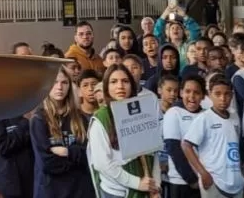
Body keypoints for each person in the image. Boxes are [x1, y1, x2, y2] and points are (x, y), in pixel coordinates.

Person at [88, 65, 160, 198]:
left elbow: (153, 154)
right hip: (118, 193)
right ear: (106, 87)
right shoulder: (101, 118)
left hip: (146, 189)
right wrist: (137, 183)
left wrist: (155, 187)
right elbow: (102, 163)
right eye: (114, 82)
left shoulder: (143, 111)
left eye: (125, 81)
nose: (120, 86)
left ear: (132, 85)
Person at [29, 66, 94, 198]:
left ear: (70, 86)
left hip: (79, 191)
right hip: (51, 191)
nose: (59, 87)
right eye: (54, 82)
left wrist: (67, 152)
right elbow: (47, 164)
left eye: (64, 82)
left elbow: (90, 155)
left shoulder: (80, 117)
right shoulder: (39, 119)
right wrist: (76, 156)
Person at [181, 75, 243, 198]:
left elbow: (233, 144)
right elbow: (186, 145)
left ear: (232, 95)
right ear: (209, 95)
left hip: (235, 180)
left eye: (227, 94)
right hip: (213, 181)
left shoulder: (235, 116)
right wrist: (203, 173)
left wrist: (240, 167)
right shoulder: (205, 118)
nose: (223, 98)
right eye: (218, 94)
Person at [163, 76, 206, 197]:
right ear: (181, 93)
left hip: (205, 180)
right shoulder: (173, 112)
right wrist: (191, 179)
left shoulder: (207, 115)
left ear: (203, 96)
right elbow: (173, 148)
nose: (192, 96)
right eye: (187, 91)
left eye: (197, 92)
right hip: (181, 182)